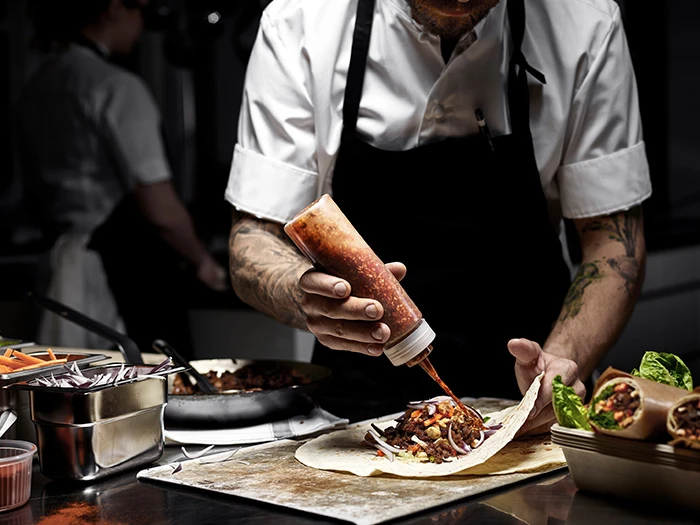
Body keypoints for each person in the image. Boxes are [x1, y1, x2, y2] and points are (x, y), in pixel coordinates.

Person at [225, 0, 651, 430]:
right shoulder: (300, 22)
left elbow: (614, 245)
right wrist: (306, 298)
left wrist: (561, 363)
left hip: (529, 402)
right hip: (355, 409)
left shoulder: (587, 23)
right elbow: (253, 240)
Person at [16, 0, 227, 354]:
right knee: (141, 385)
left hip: (57, 262)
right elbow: (159, 207)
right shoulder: (117, 87)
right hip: (119, 271)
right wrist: (203, 261)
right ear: (114, 8)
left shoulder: (36, 85)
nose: (142, 25)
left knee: (75, 388)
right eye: (140, 11)